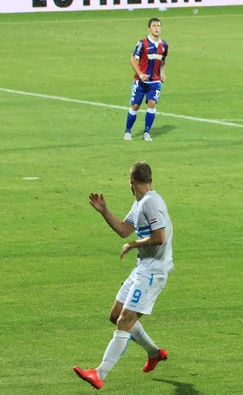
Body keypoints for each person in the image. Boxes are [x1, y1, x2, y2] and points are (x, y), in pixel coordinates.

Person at [74, 161, 173, 390]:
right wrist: (104, 211)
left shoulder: (151, 202)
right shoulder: (140, 203)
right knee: (116, 315)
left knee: (124, 320)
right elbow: (123, 230)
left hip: (153, 271)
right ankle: (154, 353)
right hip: (142, 268)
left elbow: (160, 237)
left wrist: (133, 245)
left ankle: (99, 373)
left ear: (131, 182)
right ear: (149, 180)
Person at [124, 18, 168, 142]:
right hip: (140, 81)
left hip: (155, 81)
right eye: (154, 26)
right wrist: (140, 74)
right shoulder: (142, 43)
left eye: (159, 26)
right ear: (149, 28)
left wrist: (163, 73)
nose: (157, 28)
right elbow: (132, 59)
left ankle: (147, 132)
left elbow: (164, 59)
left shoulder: (164, 45)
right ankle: (128, 131)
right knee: (135, 106)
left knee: (152, 103)